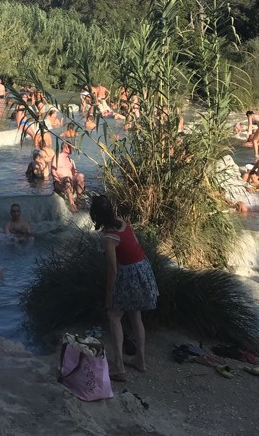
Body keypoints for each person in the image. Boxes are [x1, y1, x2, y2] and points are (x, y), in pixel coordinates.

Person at [89, 194, 158, 382]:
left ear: (95, 215)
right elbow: (134, 244)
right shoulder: (122, 222)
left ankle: (119, 367)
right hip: (143, 267)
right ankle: (140, 361)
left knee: (114, 315)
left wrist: (108, 295)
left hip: (128, 273)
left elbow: (112, 269)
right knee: (136, 315)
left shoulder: (108, 237)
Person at [52, 142, 85, 211]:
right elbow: (53, 171)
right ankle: (72, 204)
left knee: (81, 176)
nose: (72, 149)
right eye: (71, 147)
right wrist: (58, 180)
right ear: (66, 148)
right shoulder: (57, 157)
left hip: (70, 181)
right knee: (67, 179)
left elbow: (74, 173)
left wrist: (78, 180)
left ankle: (79, 198)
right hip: (59, 182)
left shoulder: (71, 160)